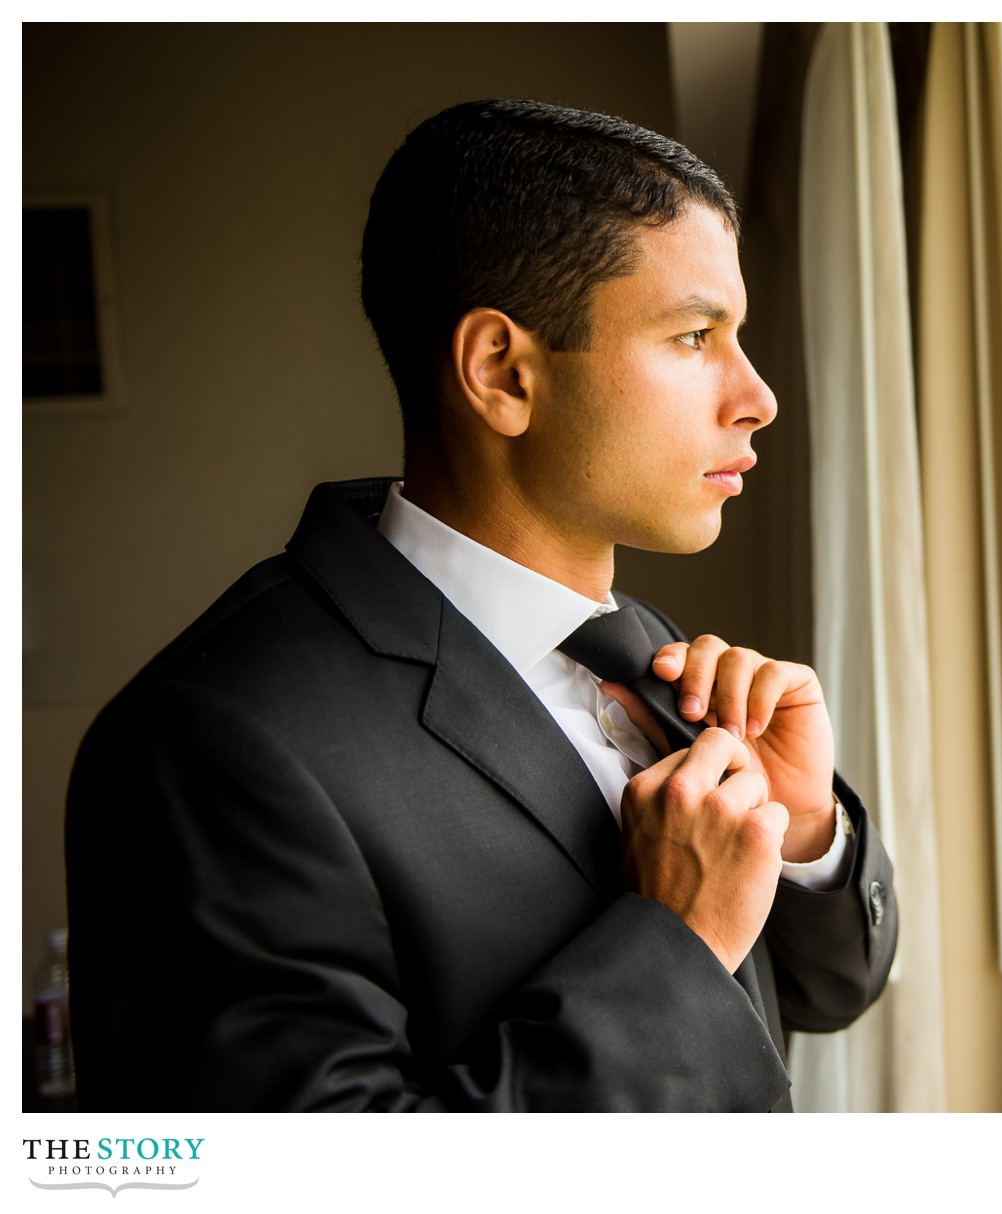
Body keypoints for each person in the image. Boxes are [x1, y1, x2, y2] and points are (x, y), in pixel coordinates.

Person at [64, 99, 897, 1111]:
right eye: (692, 337)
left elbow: (812, 991)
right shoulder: (208, 743)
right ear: (502, 371)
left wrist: (805, 835)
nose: (757, 394)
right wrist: (672, 945)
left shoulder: (653, 656)